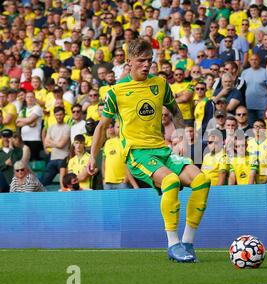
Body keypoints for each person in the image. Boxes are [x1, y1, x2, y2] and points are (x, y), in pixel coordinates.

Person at [88, 39, 211, 263]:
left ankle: (187, 243)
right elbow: (102, 126)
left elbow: (174, 110)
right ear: (129, 62)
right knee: (171, 181)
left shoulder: (160, 84)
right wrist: (91, 156)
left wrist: (182, 137)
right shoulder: (116, 91)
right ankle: (173, 245)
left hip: (162, 149)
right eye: (141, 61)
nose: (147, 65)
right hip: (137, 154)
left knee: (202, 180)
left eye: (150, 61)